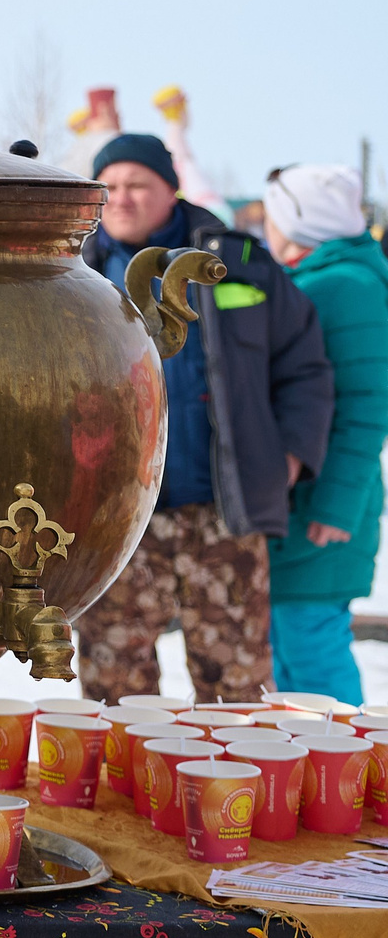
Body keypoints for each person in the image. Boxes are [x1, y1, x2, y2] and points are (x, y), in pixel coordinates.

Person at [76, 132, 333, 700]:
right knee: (113, 687)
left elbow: (306, 366)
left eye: (137, 184)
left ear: (171, 189)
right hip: (116, 519)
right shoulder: (73, 272)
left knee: (235, 688)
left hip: (223, 515)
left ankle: (229, 791)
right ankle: (126, 790)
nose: (121, 198)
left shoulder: (237, 262)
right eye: (109, 186)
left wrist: (289, 457)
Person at [261, 165, 386, 705]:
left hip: (325, 510)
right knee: (288, 649)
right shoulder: (320, 278)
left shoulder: (346, 286)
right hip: (303, 503)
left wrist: (334, 507)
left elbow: (365, 407)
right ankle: (311, 777)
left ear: (295, 218)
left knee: (312, 646)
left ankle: (349, 778)